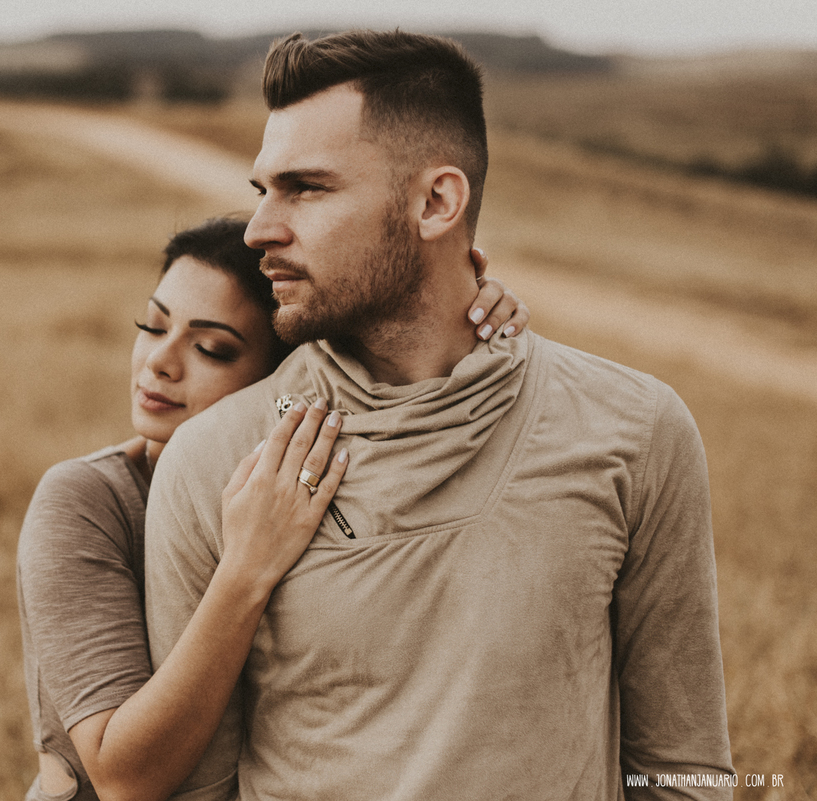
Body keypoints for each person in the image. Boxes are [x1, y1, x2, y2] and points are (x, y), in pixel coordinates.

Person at [144, 31, 735, 801]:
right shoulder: (216, 463)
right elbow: (198, 789)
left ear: (435, 202)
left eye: (306, 188)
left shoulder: (635, 429)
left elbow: (682, 768)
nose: (259, 228)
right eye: (263, 191)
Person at [17, 216, 529, 801]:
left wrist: (471, 314)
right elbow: (123, 778)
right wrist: (246, 569)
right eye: (153, 325)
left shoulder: (325, 492)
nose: (160, 361)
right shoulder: (86, 501)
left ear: (287, 376)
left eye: (211, 348)